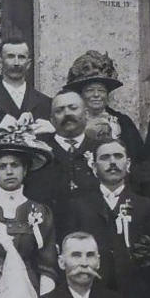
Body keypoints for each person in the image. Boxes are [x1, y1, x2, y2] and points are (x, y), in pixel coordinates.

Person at [66, 139, 150, 298]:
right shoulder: (78, 206)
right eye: (105, 158)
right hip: (92, 296)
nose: (112, 162)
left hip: (136, 297)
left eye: (118, 156)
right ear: (94, 165)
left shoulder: (146, 207)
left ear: (127, 163)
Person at [0, 116, 58, 289]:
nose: (9, 172)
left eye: (15, 165)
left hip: (28, 289)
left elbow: (48, 266)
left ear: (25, 170)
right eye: (2, 167)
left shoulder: (39, 211)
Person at [25, 89, 101, 229]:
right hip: (49, 234)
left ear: (86, 114)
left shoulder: (102, 151)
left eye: (73, 108)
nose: (67, 114)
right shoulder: (37, 151)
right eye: (59, 110)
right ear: (52, 119)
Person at [64, 50, 145, 164]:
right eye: (90, 90)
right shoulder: (71, 123)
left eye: (101, 90)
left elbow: (138, 159)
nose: (96, 95)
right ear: (81, 94)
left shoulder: (123, 122)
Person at [0, 37, 53, 122]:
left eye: (21, 57)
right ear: (0, 63)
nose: (16, 63)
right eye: (10, 57)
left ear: (28, 64)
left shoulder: (45, 102)